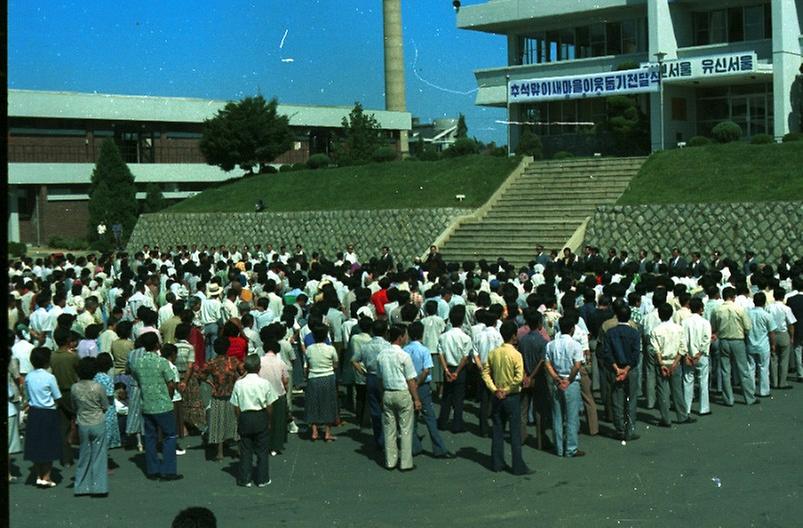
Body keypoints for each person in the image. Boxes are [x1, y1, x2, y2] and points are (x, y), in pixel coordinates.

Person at [129, 332, 182, 481]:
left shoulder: (137, 363)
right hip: (163, 404)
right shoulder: (162, 362)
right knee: (170, 436)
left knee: (150, 438)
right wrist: (169, 397)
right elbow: (171, 384)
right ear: (157, 344)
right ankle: (168, 470)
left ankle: (152, 470)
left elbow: (136, 379)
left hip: (146, 404)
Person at [482, 321, 531, 474]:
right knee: (515, 432)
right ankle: (518, 466)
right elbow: (518, 377)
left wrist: (495, 389)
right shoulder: (516, 355)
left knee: (497, 430)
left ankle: (497, 463)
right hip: (512, 396)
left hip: (497, 396)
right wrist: (508, 390)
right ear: (513, 336)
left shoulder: (493, 353)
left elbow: (485, 373)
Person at [403, 322, 452, 458]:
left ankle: (414, 447)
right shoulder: (424, 350)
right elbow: (426, 370)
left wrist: (413, 385)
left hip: (408, 385)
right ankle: (439, 448)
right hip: (422, 386)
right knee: (430, 418)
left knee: (411, 419)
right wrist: (418, 384)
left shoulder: (405, 349)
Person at [376, 325, 422, 471]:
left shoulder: (382, 355)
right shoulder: (404, 356)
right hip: (402, 393)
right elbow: (411, 381)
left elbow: (380, 379)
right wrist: (416, 399)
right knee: (405, 429)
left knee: (389, 429)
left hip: (388, 392)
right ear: (401, 337)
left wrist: (382, 395)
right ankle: (406, 463)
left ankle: (390, 461)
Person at [230, 354, 277, 488]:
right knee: (262, 450)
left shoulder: (239, 384)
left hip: (245, 416)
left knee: (245, 449)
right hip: (260, 416)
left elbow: (236, 405)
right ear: (259, 368)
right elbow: (269, 405)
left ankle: (245, 479)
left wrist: (240, 419)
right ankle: (262, 479)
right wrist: (268, 420)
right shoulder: (264, 383)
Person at [545, 317, 585, 458]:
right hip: (571, 382)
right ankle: (571, 448)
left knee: (557, 416)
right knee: (571, 417)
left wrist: (556, 377)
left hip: (557, 381)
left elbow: (547, 363)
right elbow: (577, 365)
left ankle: (559, 448)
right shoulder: (575, 345)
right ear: (572, 329)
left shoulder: (551, 345)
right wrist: (568, 379)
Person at [197, 337, 244, 461]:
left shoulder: (212, 362)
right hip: (233, 395)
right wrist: (237, 380)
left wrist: (210, 383)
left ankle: (220, 452)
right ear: (228, 348)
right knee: (236, 423)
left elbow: (201, 375)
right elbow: (244, 371)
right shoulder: (233, 361)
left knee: (218, 424)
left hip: (218, 396)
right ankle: (239, 450)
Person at [601, 304, 641, 441]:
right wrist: (626, 369)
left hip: (615, 369)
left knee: (617, 399)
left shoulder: (610, 333)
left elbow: (607, 353)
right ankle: (630, 429)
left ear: (617, 316)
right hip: (630, 369)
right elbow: (636, 354)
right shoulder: (634, 333)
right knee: (631, 399)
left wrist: (617, 369)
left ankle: (619, 429)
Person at [24, 347, 63, 487]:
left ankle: (38, 474)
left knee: (36, 444)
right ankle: (46, 476)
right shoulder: (50, 377)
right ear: (47, 361)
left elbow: (27, 396)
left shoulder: (29, 376)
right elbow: (57, 396)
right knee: (48, 444)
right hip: (48, 412)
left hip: (34, 412)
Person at [71, 357, 109, 496]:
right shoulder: (98, 387)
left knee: (84, 455)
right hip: (97, 421)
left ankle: (81, 487)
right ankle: (99, 487)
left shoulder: (74, 387)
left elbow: (74, 406)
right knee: (99, 455)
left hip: (83, 423)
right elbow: (105, 405)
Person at [651, 303, 693, 426]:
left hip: (662, 362)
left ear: (659, 315)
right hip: (675, 362)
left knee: (662, 391)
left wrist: (661, 364)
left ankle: (666, 419)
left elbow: (656, 349)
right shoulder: (678, 328)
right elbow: (682, 348)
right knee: (677, 390)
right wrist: (675, 363)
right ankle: (682, 416)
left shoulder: (656, 330)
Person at [712, 287, 755, 406]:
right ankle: (749, 397)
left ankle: (728, 399)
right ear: (733, 297)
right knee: (743, 369)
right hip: (737, 340)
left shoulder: (717, 310)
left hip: (724, 340)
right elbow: (747, 327)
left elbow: (714, 327)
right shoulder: (739, 309)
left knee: (725, 370)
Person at [517, 308, 550, 450]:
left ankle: (521, 436)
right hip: (538, 378)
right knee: (539, 410)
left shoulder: (522, 340)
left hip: (525, 376)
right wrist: (532, 376)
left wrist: (525, 375)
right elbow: (542, 361)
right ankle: (540, 440)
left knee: (523, 409)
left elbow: (521, 359)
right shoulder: (543, 341)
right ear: (539, 324)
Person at [437, 307, 472, 433]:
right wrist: (457, 372)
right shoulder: (465, 338)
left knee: (446, 396)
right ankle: (457, 425)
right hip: (459, 370)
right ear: (462, 321)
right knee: (459, 398)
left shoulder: (443, 336)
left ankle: (442, 422)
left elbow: (440, 353)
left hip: (447, 367)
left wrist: (446, 369)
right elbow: (465, 357)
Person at [50, 327, 80, 468]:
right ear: (68, 340)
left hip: (58, 393)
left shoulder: (52, 356)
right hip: (72, 391)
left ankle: (66, 459)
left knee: (64, 426)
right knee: (81, 422)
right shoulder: (72, 356)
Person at [305, 323, 339, 442]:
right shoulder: (330, 349)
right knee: (329, 404)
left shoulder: (309, 349)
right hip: (328, 377)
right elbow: (335, 363)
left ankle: (314, 431)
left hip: (313, 377)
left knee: (313, 404)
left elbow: (308, 365)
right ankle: (327, 433)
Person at [682, 298, 712, 416]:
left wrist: (686, 354)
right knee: (703, 381)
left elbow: (682, 339)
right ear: (701, 309)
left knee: (688, 380)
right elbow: (706, 339)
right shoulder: (705, 322)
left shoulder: (685, 322)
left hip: (688, 355)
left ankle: (686, 407)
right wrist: (699, 353)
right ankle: (704, 408)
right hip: (701, 356)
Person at [258, 339, 289, 455]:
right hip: (278, 394)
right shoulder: (281, 362)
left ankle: (263, 444)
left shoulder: (260, 361)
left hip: (263, 395)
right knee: (278, 422)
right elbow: (285, 380)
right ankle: (275, 446)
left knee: (264, 422)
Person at [767, 287, 796, 389]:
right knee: (784, 359)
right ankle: (782, 382)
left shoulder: (769, 307)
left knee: (773, 358)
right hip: (783, 333)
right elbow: (791, 324)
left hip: (772, 333)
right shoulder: (786, 308)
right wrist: (792, 337)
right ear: (783, 296)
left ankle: (774, 382)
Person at [93, 353, 122, 449]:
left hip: (96, 407)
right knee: (107, 432)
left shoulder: (95, 377)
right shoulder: (107, 378)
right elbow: (109, 395)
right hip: (107, 408)